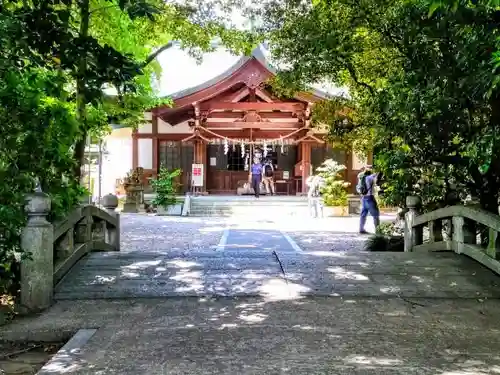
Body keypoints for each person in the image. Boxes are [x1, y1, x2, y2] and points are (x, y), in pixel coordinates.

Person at [357, 165, 380, 234]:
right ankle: (378, 231)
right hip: (370, 198)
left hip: (363, 198)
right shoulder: (370, 177)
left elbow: (358, 188)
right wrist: (374, 168)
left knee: (363, 214)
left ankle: (361, 229)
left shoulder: (361, 179)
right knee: (376, 215)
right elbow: (378, 173)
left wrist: (366, 168)